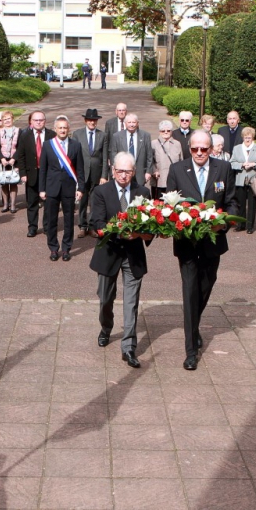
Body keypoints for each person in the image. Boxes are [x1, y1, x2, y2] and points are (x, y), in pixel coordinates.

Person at [166, 130, 238, 370]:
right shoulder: (177, 170)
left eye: (204, 149)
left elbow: (232, 201)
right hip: (186, 244)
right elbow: (170, 206)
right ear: (189, 148)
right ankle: (191, 351)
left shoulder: (223, 169)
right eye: (195, 149)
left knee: (205, 287)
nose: (199, 153)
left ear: (211, 149)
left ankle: (194, 327)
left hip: (213, 243)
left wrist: (224, 223)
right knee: (189, 292)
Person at [90, 152, 152, 368]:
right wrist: (120, 232)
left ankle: (129, 347)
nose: (123, 175)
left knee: (131, 302)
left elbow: (150, 224)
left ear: (134, 172)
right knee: (105, 298)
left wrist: (142, 234)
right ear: (113, 170)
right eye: (119, 171)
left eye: (128, 171)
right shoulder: (101, 191)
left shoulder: (142, 192)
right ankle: (106, 327)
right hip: (109, 252)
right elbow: (97, 222)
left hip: (133, 255)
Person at [39, 116, 84, 261]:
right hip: (51, 188)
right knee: (52, 220)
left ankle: (66, 248)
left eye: (65, 127)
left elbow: (80, 169)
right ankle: (53, 248)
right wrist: (42, 189)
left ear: (68, 129)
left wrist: (81, 188)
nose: (63, 130)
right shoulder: (48, 145)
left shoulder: (76, 145)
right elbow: (43, 170)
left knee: (69, 220)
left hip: (69, 188)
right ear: (55, 129)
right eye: (60, 128)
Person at [16, 110, 56, 237]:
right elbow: (20, 156)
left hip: (48, 174)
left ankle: (47, 226)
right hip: (31, 174)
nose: (39, 122)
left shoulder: (52, 135)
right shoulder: (24, 135)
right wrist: (22, 173)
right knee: (32, 202)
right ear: (31, 122)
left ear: (45, 121)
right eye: (36, 120)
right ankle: (32, 227)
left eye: (41, 120)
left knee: (48, 202)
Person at [73, 109, 108, 238]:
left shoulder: (102, 135)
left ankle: (92, 226)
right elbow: (74, 155)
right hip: (81, 172)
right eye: (89, 120)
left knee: (95, 201)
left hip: (97, 174)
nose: (92, 122)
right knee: (82, 199)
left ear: (97, 121)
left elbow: (105, 157)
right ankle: (82, 226)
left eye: (94, 120)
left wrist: (104, 175)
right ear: (85, 120)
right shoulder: (77, 134)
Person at [230, 127, 256, 233]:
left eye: (249, 137)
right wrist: (241, 165)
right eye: (245, 137)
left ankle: (250, 226)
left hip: (254, 180)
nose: (247, 139)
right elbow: (232, 163)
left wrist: (254, 164)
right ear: (243, 137)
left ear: (252, 137)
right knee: (240, 204)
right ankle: (241, 224)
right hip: (240, 179)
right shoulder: (237, 148)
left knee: (252, 204)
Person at [108, 113, 153, 187]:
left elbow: (149, 155)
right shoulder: (117, 136)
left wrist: (148, 172)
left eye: (134, 122)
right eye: (129, 122)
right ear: (125, 123)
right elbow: (113, 155)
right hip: (123, 174)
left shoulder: (145, 136)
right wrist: (114, 171)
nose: (131, 125)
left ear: (137, 123)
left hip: (140, 175)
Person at [0, 111, 20, 214]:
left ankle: (13, 205)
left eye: (9, 118)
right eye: (5, 119)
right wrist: (2, 158)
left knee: (13, 182)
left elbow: (20, 147)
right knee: (3, 182)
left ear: (12, 119)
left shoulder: (19, 131)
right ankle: (5, 204)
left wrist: (14, 158)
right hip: (3, 161)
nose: (7, 121)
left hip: (15, 160)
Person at [151, 120, 183, 197]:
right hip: (159, 180)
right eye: (163, 131)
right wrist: (154, 171)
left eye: (168, 130)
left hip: (174, 179)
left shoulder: (177, 144)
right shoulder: (153, 143)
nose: (166, 132)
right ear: (159, 131)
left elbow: (181, 160)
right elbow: (149, 161)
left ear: (171, 131)